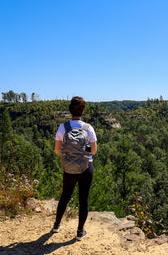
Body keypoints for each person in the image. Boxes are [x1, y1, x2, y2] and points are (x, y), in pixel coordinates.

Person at [52, 96, 97, 241]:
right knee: (84, 199)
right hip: (86, 167)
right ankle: (80, 232)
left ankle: (57, 225)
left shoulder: (63, 127)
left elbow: (57, 151)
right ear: (83, 111)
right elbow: (94, 151)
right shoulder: (88, 128)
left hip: (69, 167)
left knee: (65, 196)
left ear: (70, 111)